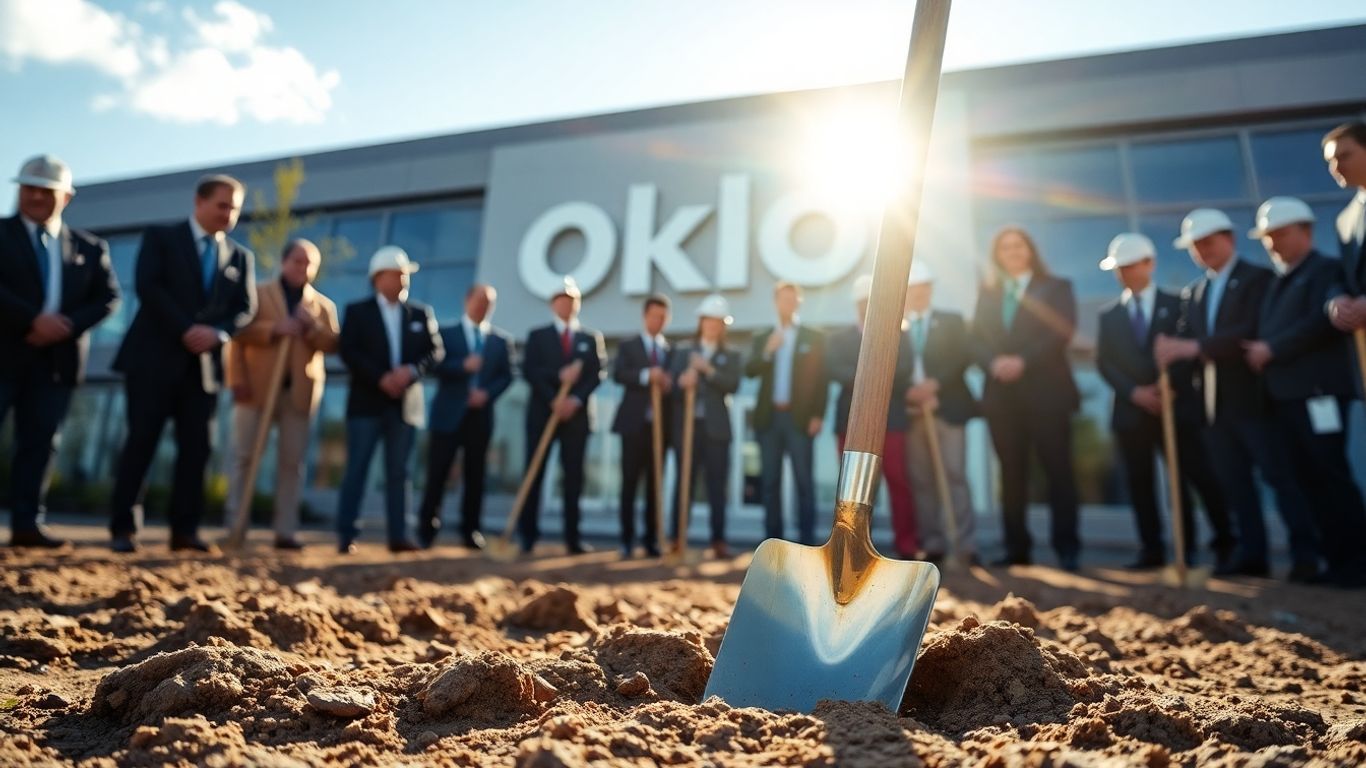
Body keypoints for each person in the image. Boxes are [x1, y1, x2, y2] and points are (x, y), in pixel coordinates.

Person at [1154, 208, 1320, 581]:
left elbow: (1248, 331)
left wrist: (1191, 347)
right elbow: (1185, 342)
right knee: (1235, 485)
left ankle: (1306, 555)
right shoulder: (1194, 292)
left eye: (1208, 242)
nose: (1202, 251)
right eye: (1195, 246)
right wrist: (1169, 354)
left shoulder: (1260, 279)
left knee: (1280, 478)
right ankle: (1252, 556)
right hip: (1215, 408)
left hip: (1255, 401)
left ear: (1229, 238)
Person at [109, 174, 256, 554]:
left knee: (197, 449)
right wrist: (187, 328)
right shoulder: (161, 237)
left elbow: (245, 308)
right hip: (153, 360)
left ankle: (184, 531)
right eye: (222, 205)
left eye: (235, 208)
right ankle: (123, 529)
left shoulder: (240, 257)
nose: (228, 214)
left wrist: (218, 333)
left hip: (203, 370)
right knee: (141, 442)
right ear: (199, 202)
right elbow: (148, 286)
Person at [1242, 198, 1366, 588]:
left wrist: (1271, 349)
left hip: (1318, 394)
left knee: (1331, 476)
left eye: (1281, 233)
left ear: (1306, 231)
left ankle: (1357, 563)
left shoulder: (1325, 270)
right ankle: (1335, 561)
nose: (1273, 242)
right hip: (1286, 398)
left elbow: (1323, 316)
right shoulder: (1275, 281)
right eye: (1267, 237)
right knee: (1308, 479)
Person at [0, 155, 120, 548]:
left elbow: (109, 297)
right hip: (6, 352)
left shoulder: (89, 247)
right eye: (28, 188)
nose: (34, 196)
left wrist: (64, 325)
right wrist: (32, 319)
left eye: (45, 190)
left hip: (57, 361)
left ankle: (26, 523)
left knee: (40, 441)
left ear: (65, 197)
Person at [1095, 233, 1233, 570]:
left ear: (1150, 264)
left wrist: (1169, 386)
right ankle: (1151, 549)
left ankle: (1216, 545)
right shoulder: (1109, 315)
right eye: (1119, 268)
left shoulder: (1180, 302)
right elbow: (1104, 362)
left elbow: (1189, 348)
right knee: (1140, 484)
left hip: (1176, 409)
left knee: (1192, 477)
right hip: (1131, 413)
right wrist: (1135, 392)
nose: (1125, 272)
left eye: (1130, 265)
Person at [972, 227, 1081, 571]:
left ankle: (1067, 547)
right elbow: (975, 338)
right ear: (998, 256)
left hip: (1046, 394)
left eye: (1018, 245)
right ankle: (1016, 548)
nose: (1012, 252)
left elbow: (1060, 330)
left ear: (1030, 249)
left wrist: (1022, 361)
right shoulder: (988, 293)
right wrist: (993, 361)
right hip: (1001, 398)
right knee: (1011, 474)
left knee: (1057, 472)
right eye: (1005, 247)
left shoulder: (1056, 287)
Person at [224, 238, 339, 550]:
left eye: (310, 263)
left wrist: (310, 327)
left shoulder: (322, 306)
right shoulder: (258, 294)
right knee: (245, 458)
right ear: (284, 262)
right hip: (255, 389)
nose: (303, 268)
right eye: (298, 261)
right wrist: (273, 330)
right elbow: (237, 335)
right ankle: (237, 524)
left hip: (298, 395)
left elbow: (332, 344)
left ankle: (285, 530)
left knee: (292, 463)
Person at [335, 246, 444, 554]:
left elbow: (435, 351)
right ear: (378, 278)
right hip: (366, 405)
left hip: (405, 406)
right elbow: (349, 352)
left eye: (405, 275)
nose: (403, 279)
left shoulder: (421, 314)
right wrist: (381, 377)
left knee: (400, 472)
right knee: (357, 468)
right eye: (398, 274)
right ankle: (347, 535)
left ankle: (399, 535)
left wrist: (410, 371)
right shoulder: (357, 312)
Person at [826, 275, 919, 558]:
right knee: (852, 488)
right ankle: (852, 549)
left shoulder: (899, 334)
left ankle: (906, 545)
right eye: (865, 302)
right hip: (851, 423)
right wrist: (871, 374)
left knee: (898, 480)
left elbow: (903, 370)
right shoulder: (838, 339)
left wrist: (870, 375)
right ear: (857, 304)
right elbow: (834, 370)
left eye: (874, 301)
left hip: (891, 420)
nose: (869, 307)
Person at [416, 283, 514, 550]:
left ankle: (471, 530)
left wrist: (487, 394)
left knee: (476, 475)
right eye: (480, 301)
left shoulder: (500, 341)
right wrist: (461, 366)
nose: (484, 307)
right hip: (448, 414)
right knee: (438, 473)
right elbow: (433, 366)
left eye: (489, 303)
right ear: (467, 300)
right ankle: (427, 529)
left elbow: (506, 376)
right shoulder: (445, 334)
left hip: (480, 417)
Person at [519, 276, 607, 555]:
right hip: (543, 415)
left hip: (576, 418)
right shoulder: (537, 336)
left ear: (577, 304)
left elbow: (597, 374)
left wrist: (574, 399)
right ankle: (527, 537)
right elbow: (530, 371)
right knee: (534, 475)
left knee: (573, 478)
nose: (566, 304)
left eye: (571, 299)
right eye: (561, 299)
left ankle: (572, 538)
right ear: (552, 303)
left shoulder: (590, 338)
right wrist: (554, 392)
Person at [901, 260, 980, 564]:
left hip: (947, 410)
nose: (918, 294)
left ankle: (965, 545)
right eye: (912, 289)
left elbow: (962, 356)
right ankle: (933, 543)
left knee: (954, 475)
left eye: (923, 287)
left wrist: (936, 386)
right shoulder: (897, 326)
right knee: (921, 480)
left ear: (930, 289)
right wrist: (911, 394)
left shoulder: (951, 321)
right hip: (913, 414)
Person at [745, 281, 828, 545]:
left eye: (792, 299)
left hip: (800, 420)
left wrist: (818, 414)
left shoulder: (813, 336)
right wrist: (768, 351)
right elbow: (750, 371)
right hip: (769, 421)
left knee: (804, 482)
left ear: (799, 302)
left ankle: (806, 543)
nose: (788, 304)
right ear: (775, 302)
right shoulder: (762, 337)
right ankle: (773, 545)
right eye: (783, 299)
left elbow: (821, 379)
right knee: (769, 484)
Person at [670, 294, 742, 559]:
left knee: (716, 486)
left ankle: (718, 540)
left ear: (723, 325)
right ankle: (678, 538)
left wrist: (707, 370)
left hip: (717, 430)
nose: (713, 325)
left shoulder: (731, 355)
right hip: (688, 429)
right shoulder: (682, 351)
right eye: (709, 320)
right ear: (701, 322)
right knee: (684, 484)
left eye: (718, 321)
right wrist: (681, 382)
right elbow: (672, 392)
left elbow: (732, 385)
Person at [611, 294, 672, 558]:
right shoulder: (628, 346)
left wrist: (668, 383)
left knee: (654, 487)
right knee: (629, 483)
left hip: (659, 430)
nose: (657, 321)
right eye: (654, 316)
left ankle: (651, 540)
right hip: (633, 427)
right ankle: (626, 540)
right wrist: (648, 375)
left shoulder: (670, 352)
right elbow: (619, 374)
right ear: (645, 316)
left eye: (662, 317)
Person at [1323, 121, 1366, 383]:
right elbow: (1344, 276)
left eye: (1344, 156)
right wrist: (1336, 300)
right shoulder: (1345, 220)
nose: (1335, 167)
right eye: (1330, 161)